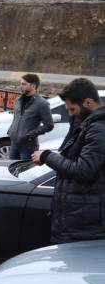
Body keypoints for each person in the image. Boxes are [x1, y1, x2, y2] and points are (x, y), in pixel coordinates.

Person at [33, 78, 105, 243]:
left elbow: (83, 170)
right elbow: (70, 156)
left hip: (86, 223)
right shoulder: (88, 124)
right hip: (80, 216)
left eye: (72, 109)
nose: (71, 114)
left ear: (88, 102)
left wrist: (46, 156)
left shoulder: (99, 129)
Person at [7, 73, 54, 160]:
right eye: (20, 84)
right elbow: (16, 118)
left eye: (24, 84)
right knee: (11, 167)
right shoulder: (18, 100)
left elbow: (49, 125)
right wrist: (10, 130)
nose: (20, 86)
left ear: (33, 86)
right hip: (14, 144)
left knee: (25, 169)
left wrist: (31, 134)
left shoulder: (42, 103)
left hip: (28, 147)